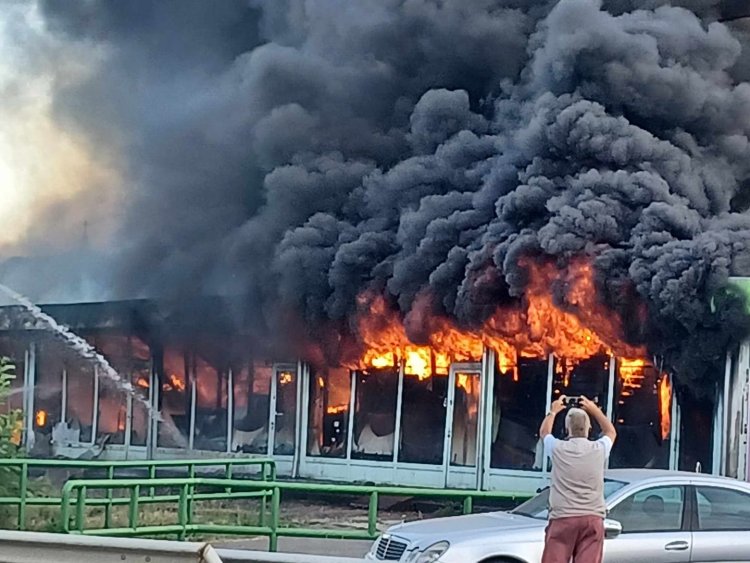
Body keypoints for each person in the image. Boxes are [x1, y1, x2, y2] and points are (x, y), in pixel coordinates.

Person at [539, 395, 617, 563]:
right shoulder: (599, 449)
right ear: (589, 428)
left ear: (567, 429)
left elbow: (544, 432)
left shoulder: (557, 448)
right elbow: (611, 431)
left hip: (563, 518)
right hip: (592, 518)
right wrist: (594, 410)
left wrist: (553, 411)